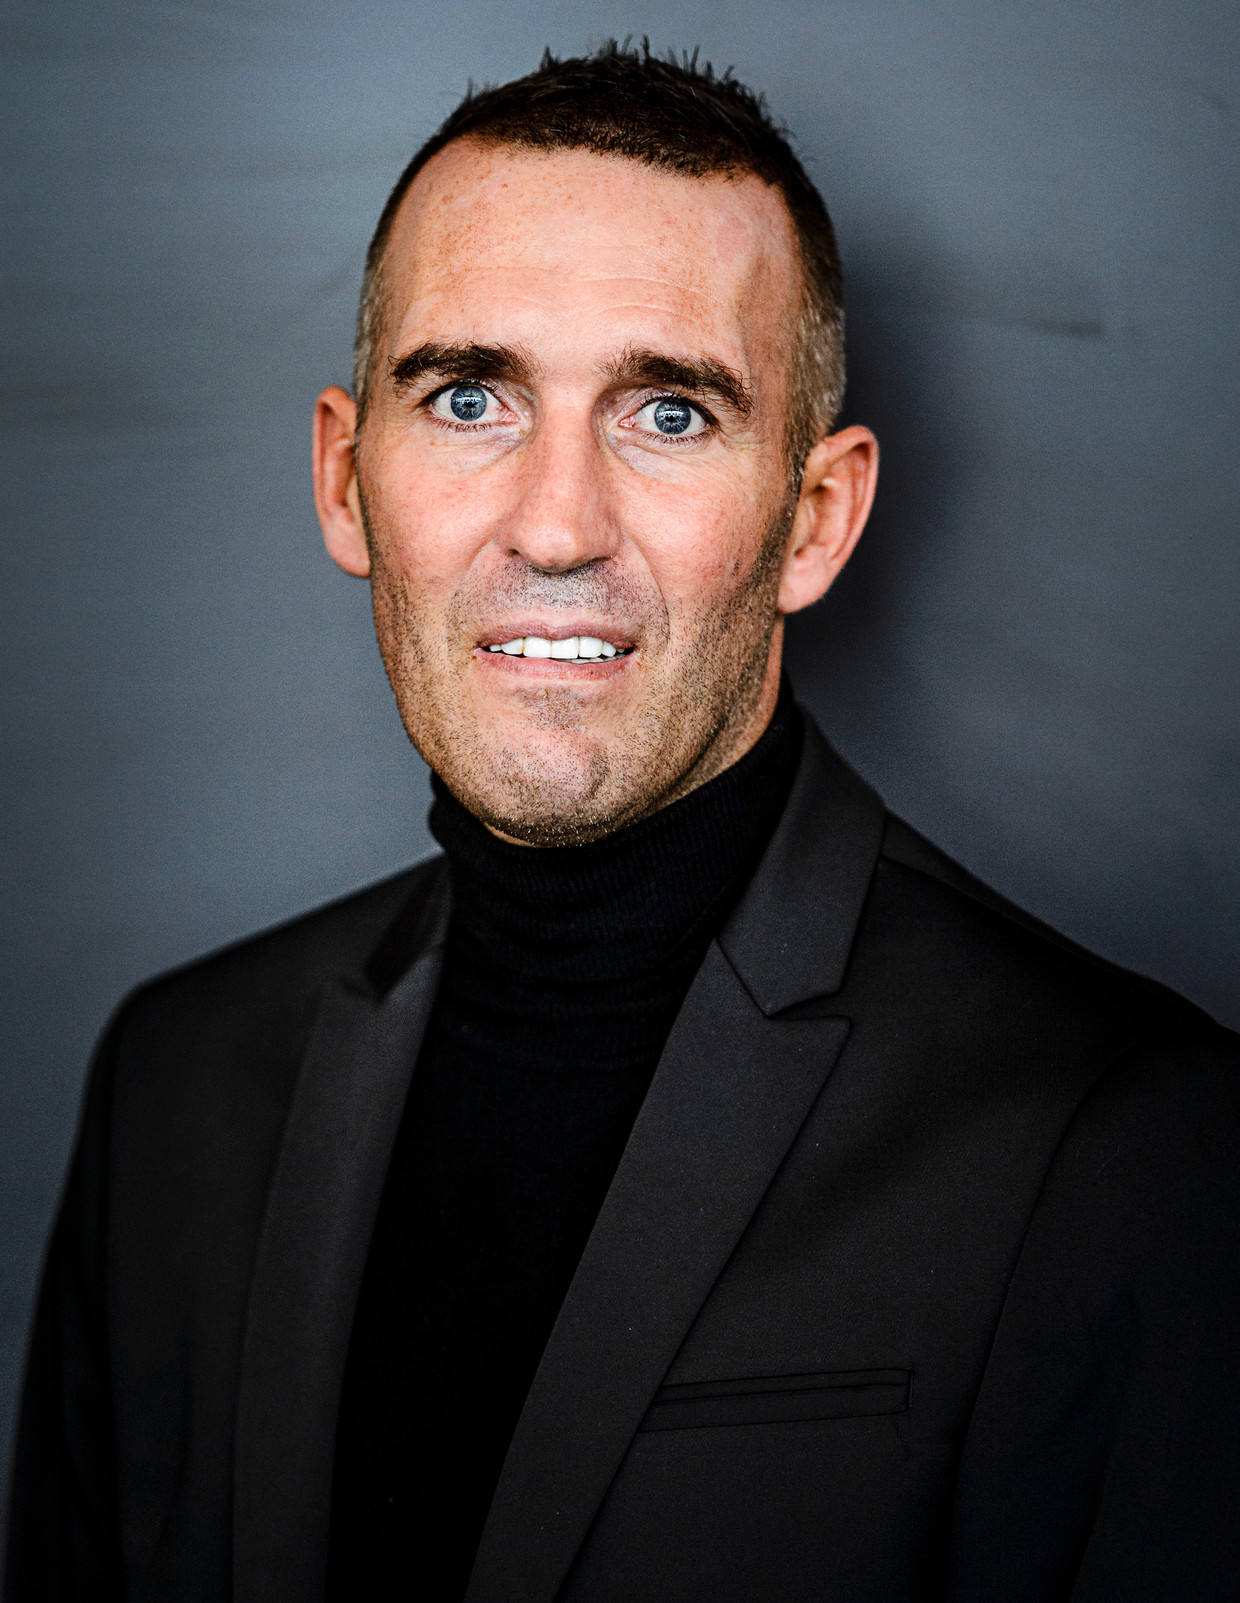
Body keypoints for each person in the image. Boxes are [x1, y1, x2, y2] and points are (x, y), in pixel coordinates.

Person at [6, 40, 1238, 1603]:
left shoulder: (1126, 1148)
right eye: (470, 399)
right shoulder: (175, 1090)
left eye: (668, 415)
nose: (556, 526)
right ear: (343, 478)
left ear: (815, 518)